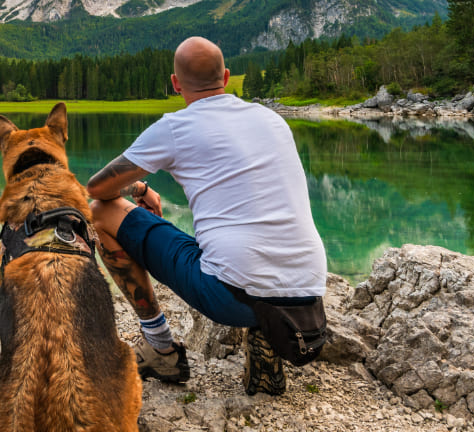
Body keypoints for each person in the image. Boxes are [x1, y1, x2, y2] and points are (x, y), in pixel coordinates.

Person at [86, 36, 327, 394]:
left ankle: (160, 348)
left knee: (100, 214)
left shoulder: (174, 127)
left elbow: (98, 189)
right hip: (308, 294)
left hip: (231, 298)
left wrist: (139, 190)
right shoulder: (272, 119)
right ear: (226, 77)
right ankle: (269, 336)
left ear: (175, 84)